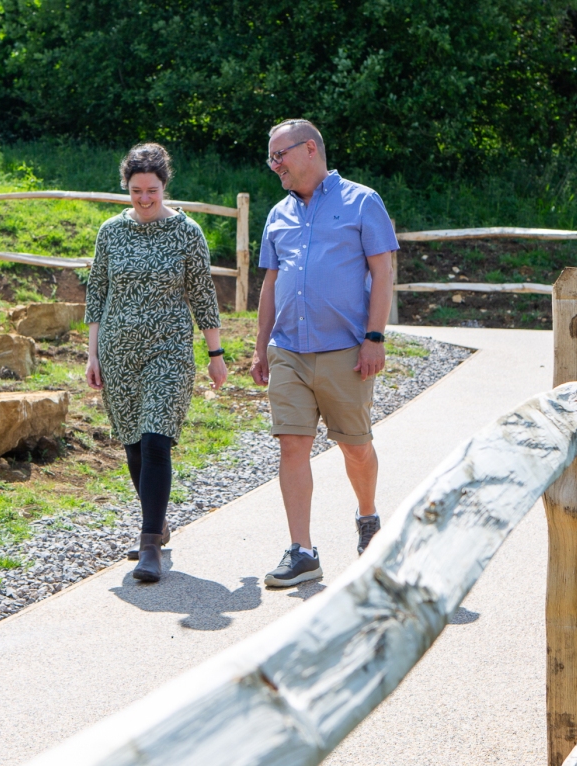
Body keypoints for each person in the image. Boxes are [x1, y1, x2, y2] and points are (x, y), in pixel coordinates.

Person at [251, 119, 398, 588]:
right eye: (271, 158)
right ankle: (302, 551)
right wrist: (261, 347)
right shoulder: (278, 213)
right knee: (292, 444)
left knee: (355, 446)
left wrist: (374, 338)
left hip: (346, 352)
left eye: (280, 155)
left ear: (310, 149)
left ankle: (368, 516)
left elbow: (383, 271)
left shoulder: (362, 201)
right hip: (288, 350)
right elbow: (271, 283)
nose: (274, 165)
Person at [84, 143, 228, 583]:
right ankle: (157, 522)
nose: (144, 199)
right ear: (126, 188)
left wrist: (216, 355)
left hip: (169, 351)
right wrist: (92, 353)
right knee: (132, 444)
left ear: (165, 186)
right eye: (136, 191)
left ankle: (150, 545)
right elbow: (97, 291)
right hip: (117, 352)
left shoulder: (187, 232)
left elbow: (202, 294)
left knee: (154, 440)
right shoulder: (111, 232)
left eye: (152, 190)